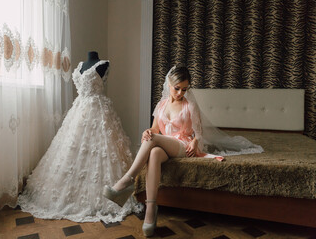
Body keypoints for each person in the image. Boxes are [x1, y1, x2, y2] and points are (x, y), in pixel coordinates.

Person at [103, 65, 264, 237]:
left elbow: (199, 132)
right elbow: (155, 129)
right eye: (177, 88)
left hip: (182, 145)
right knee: (154, 153)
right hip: (165, 145)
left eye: (184, 89)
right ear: (169, 85)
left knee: (153, 142)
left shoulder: (190, 106)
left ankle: (127, 181)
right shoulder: (161, 105)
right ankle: (151, 208)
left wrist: (195, 142)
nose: (180, 93)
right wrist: (148, 131)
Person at [17, 51, 142, 223]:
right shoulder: (80, 66)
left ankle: (114, 193)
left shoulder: (104, 63)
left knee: (102, 152)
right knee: (70, 153)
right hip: (79, 111)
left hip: (99, 111)